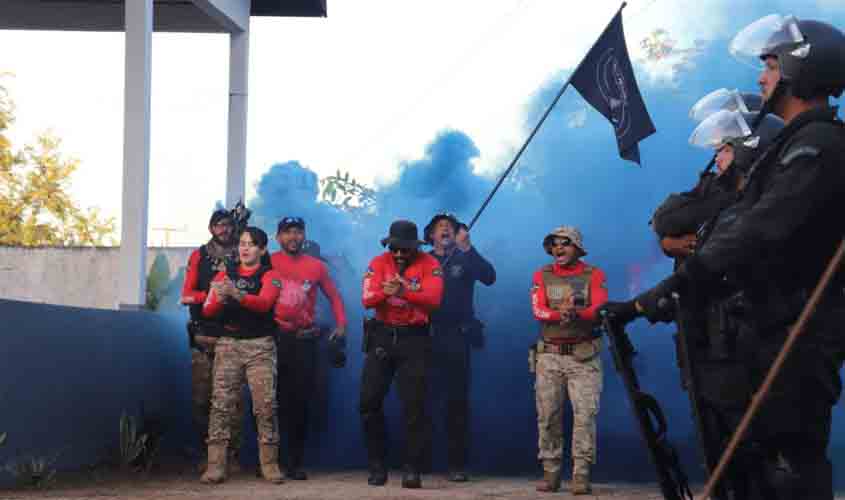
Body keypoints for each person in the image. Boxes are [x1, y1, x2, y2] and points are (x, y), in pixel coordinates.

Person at [605, 14, 845, 499]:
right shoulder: (791, 146)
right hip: (767, 331)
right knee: (753, 472)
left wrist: (672, 285)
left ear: (801, 67)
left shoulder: (818, 143)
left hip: (795, 335)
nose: (762, 78)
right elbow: (731, 224)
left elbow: (758, 230)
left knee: (786, 468)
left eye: (772, 65)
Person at [360, 219, 444, 488]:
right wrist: (385, 294)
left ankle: (412, 468)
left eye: (404, 250)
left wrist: (405, 291)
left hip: (414, 338)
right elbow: (366, 299)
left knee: (414, 405)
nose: (398, 254)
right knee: (368, 402)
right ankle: (377, 465)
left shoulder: (431, 265)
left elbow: (434, 301)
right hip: (382, 335)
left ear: (414, 247)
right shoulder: (377, 262)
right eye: (394, 249)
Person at [200, 226, 284, 485]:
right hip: (228, 345)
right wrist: (219, 297)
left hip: (260, 346)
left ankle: (269, 464)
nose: (245, 248)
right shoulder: (225, 274)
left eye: (251, 244)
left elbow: (265, 304)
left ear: (262, 249)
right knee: (221, 405)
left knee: (265, 406)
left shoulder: (271, 276)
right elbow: (207, 310)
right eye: (243, 243)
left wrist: (238, 295)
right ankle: (216, 465)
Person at [530, 226, 607, 495]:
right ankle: (551, 473)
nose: (559, 249)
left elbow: (600, 308)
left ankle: (581, 474)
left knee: (585, 415)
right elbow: (538, 308)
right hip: (550, 355)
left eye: (566, 243)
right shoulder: (542, 274)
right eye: (555, 244)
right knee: (548, 415)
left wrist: (578, 314)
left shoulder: (594, 274)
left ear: (577, 247)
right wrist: (558, 315)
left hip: (583, 356)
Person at [270, 216, 348, 480]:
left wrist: (341, 325)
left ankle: (294, 462)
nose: (293, 237)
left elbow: (335, 297)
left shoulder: (316, 266)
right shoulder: (268, 261)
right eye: (288, 232)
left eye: (298, 232)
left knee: (300, 402)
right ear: (278, 237)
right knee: (270, 401)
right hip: (273, 341)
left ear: (303, 236)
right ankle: (269, 461)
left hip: (304, 341)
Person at [423, 213, 495, 481]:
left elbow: (489, 277)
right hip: (424, 337)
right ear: (430, 235)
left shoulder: (466, 257)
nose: (446, 230)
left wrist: (467, 248)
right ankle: (421, 461)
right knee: (421, 399)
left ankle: (456, 464)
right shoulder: (422, 260)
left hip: (456, 337)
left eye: (450, 227)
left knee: (456, 403)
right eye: (440, 227)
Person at [179, 209, 244, 473]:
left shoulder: (245, 252)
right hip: (204, 336)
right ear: (211, 229)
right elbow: (186, 294)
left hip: (236, 335)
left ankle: (232, 455)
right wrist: (211, 295)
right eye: (219, 225)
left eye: (228, 225)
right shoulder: (199, 255)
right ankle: (206, 455)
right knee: (202, 399)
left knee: (234, 400)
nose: (224, 230)